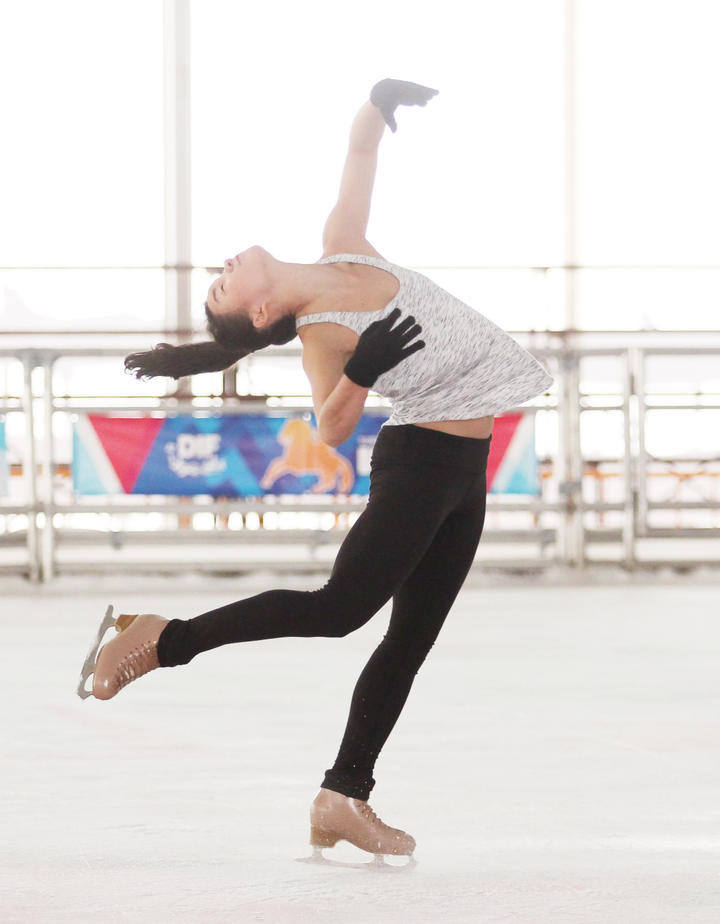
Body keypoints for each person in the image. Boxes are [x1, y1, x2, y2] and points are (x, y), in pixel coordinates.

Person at [77, 79, 554, 866]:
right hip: (420, 461)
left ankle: (343, 796)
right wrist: (361, 372)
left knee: (410, 640)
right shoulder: (323, 334)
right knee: (338, 611)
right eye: (224, 285)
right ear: (264, 314)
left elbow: (360, 155)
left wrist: (376, 104)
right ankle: (163, 639)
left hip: (464, 464)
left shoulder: (345, 246)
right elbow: (330, 429)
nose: (224, 266)